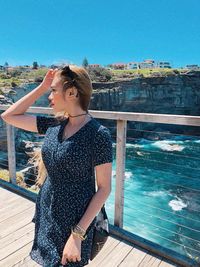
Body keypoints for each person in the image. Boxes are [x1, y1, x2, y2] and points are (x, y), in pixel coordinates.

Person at [1, 65, 113, 266]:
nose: (49, 97)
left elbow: (104, 189)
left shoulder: (98, 135)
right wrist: (43, 86)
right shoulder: (54, 124)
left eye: (53, 91)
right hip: (47, 210)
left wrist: (78, 235)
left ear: (72, 92)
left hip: (75, 221)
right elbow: (9, 116)